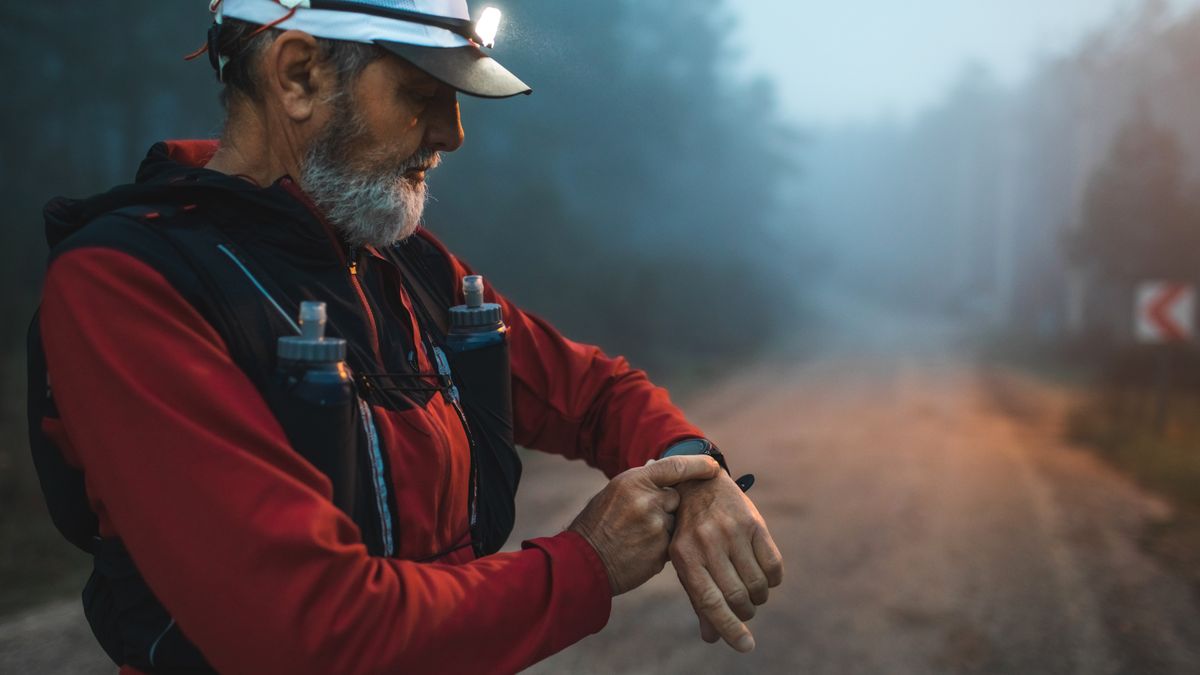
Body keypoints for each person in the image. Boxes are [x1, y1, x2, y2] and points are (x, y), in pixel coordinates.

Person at [30, 1, 782, 672]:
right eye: (423, 94)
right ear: (297, 76)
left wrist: (692, 467)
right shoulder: (128, 286)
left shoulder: (398, 262)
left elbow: (590, 390)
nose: (452, 134)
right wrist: (587, 562)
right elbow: (312, 633)